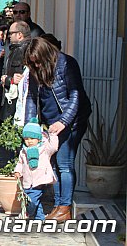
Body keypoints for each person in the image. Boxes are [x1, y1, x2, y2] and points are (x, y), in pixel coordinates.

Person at [23, 37, 92, 222]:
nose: (35, 65)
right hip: (51, 123)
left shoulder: (67, 64)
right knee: (52, 165)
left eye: (37, 61)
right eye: (32, 63)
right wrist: (30, 126)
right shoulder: (35, 69)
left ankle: (64, 207)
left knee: (64, 164)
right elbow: (31, 97)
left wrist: (64, 121)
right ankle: (58, 206)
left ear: (46, 55)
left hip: (72, 121)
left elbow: (75, 96)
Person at [14, 118, 58, 220]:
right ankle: (39, 218)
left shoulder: (44, 149)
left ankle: (27, 213)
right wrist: (17, 171)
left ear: (38, 138)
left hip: (40, 180)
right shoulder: (23, 151)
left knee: (32, 200)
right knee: (35, 201)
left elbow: (54, 147)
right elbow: (20, 163)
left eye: (32, 139)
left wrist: (52, 135)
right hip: (27, 181)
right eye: (26, 139)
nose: (29, 141)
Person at [1, 21, 31, 120]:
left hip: (16, 99)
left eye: (11, 33)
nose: (8, 36)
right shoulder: (17, 48)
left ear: (19, 35)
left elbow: (20, 77)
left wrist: (8, 80)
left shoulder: (22, 50)